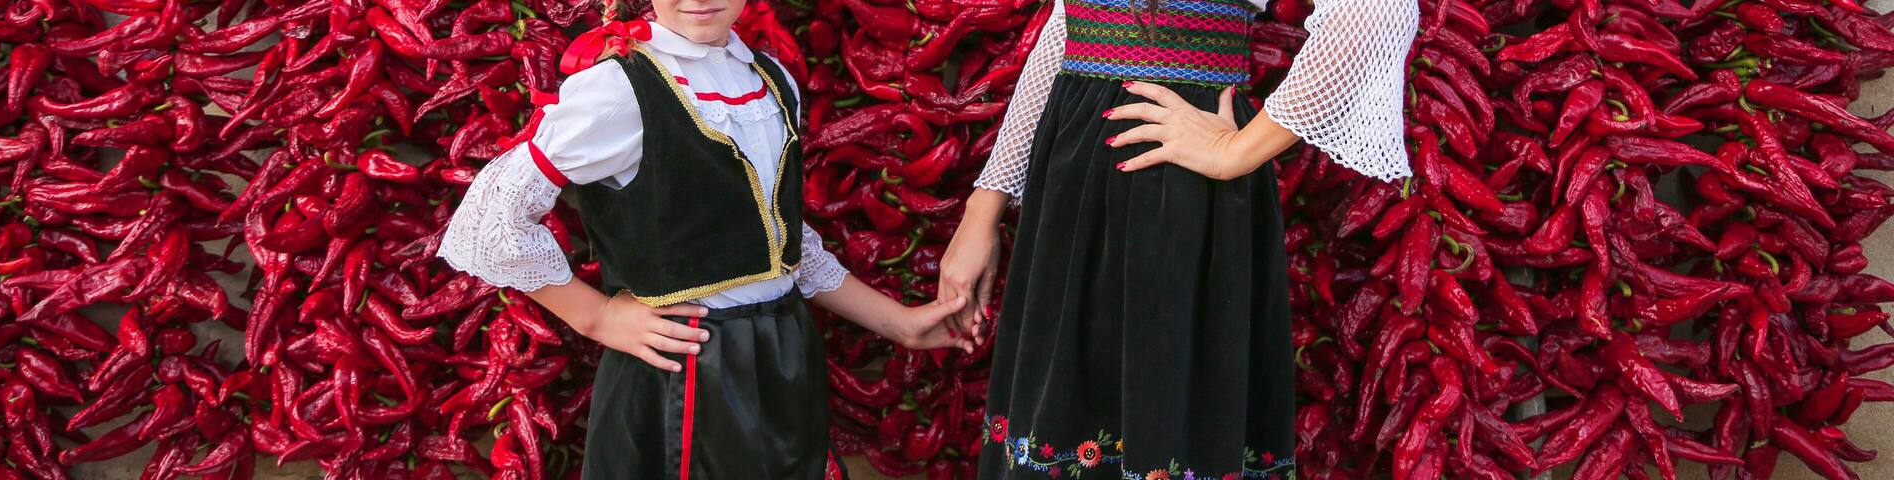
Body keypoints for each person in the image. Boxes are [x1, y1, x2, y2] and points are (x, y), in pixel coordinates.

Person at [435, 0, 970, 478]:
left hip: (783, 358)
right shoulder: (620, 89)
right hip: (683, 366)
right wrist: (595, 317)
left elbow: (781, 243)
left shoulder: (771, 80)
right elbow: (490, 219)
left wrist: (897, 322)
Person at [936, 0, 1420, 478]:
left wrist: (1236, 151)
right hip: (1074, 176)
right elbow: (1069, 20)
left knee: (1160, 415)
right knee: (1062, 414)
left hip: (1172, 182)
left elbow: (1378, 10)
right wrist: (984, 205)